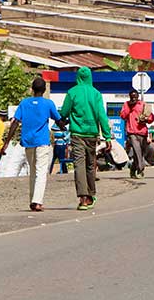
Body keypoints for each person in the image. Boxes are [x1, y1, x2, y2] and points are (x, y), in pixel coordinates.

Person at [2, 77, 61, 212]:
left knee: (33, 171)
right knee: (41, 171)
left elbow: (15, 123)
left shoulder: (24, 103)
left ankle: (32, 200)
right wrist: (66, 126)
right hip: (42, 142)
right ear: (44, 90)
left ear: (32, 89)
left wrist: (6, 142)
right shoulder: (48, 104)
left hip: (28, 142)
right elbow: (59, 120)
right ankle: (37, 201)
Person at [59, 67, 112, 210]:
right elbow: (102, 115)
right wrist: (107, 136)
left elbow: (64, 112)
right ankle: (91, 195)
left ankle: (83, 198)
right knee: (90, 165)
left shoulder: (72, 92)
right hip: (92, 135)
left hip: (77, 134)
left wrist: (62, 119)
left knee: (79, 165)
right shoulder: (96, 94)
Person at [120, 89, 154, 179]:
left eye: (135, 97)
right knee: (137, 150)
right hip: (131, 132)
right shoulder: (126, 104)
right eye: (132, 97)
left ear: (138, 97)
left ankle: (133, 169)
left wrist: (146, 119)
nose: (133, 99)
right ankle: (140, 169)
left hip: (142, 132)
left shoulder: (143, 104)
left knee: (139, 153)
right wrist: (129, 107)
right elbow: (123, 116)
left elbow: (151, 117)